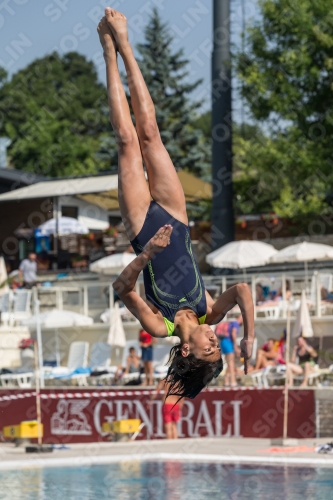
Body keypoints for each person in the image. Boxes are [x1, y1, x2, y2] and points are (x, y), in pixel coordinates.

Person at [97, 9, 254, 401]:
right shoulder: (208, 313)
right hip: (176, 216)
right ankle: (125, 44)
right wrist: (251, 334)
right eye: (217, 344)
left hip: (142, 227)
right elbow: (242, 289)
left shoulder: (159, 325)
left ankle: (107, 53)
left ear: (186, 350)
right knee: (150, 134)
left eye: (209, 346)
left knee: (126, 141)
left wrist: (147, 253)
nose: (213, 337)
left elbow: (121, 287)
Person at [215, 315, 243, 387]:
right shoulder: (236, 324)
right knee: (231, 363)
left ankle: (226, 381)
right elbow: (233, 334)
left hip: (224, 342)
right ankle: (233, 382)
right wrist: (236, 347)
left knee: (230, 362)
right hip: (228, 342)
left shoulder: (232, 323)